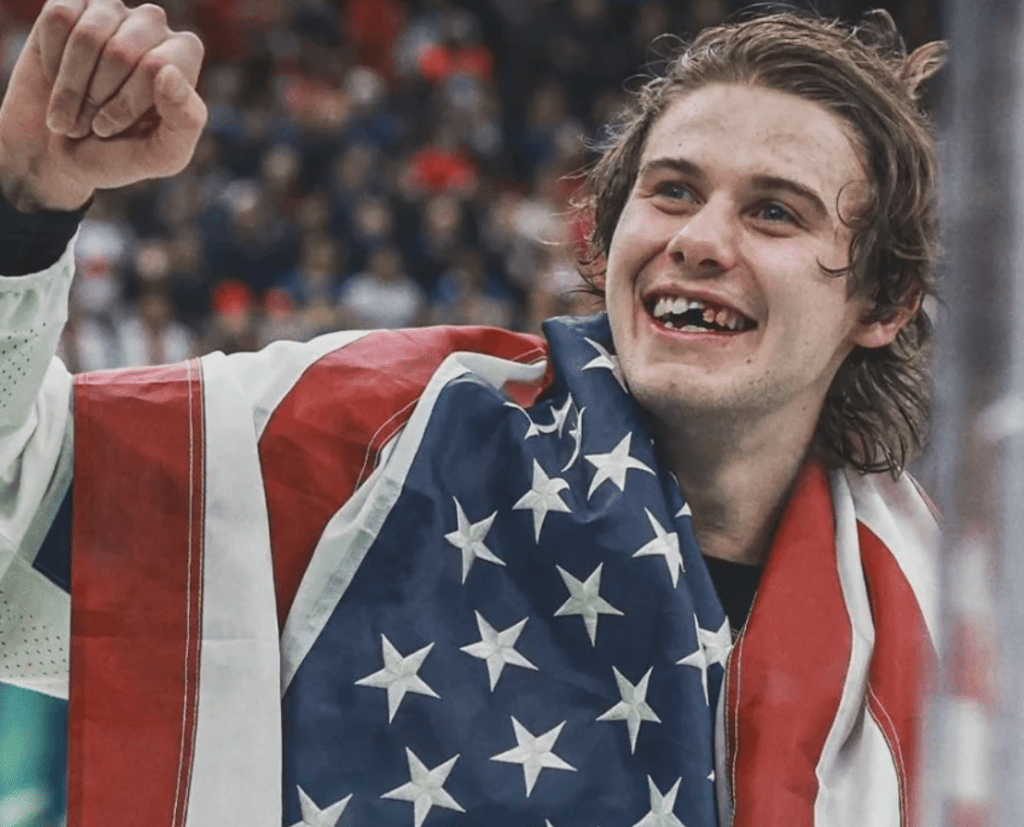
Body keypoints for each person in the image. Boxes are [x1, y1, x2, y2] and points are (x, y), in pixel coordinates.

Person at [0, 2, 942, 826]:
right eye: (673, 190)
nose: (698, 241)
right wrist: (24, 210)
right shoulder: (391, 432)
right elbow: (18, 503)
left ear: (884, 302)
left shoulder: (939, 615)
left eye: (775, 213)